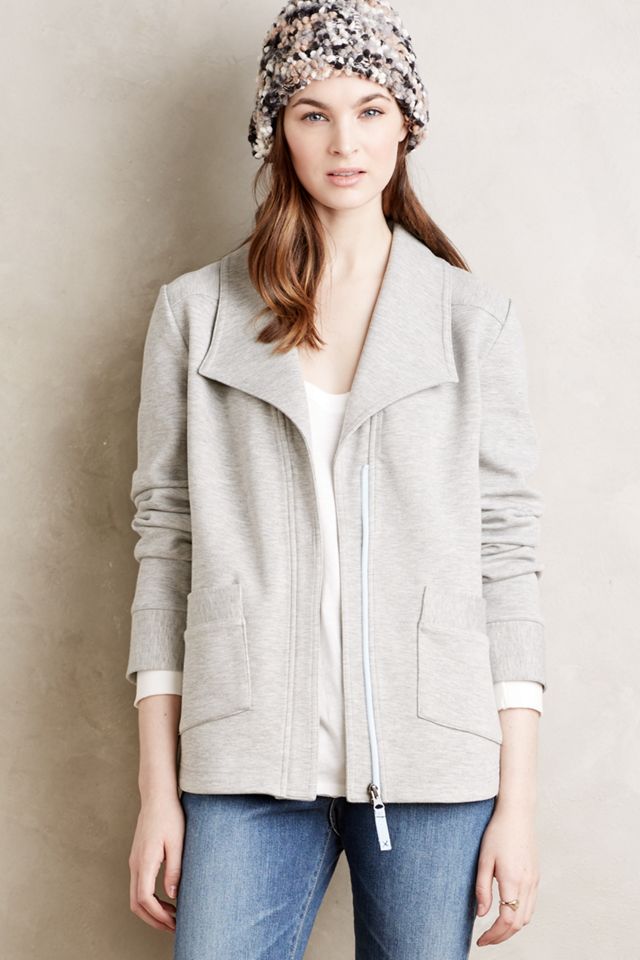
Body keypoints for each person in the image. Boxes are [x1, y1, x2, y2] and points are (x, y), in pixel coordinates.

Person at [126, 2, 546, 957]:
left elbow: (507, 556)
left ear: (406, 124)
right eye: (312, 113)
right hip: (242, 759)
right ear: (277, 130)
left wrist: (517, 805)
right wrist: (159, 791)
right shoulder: (196, 314)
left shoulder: (471, 321)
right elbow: (166, 549)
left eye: (369, 110)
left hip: (434, 766)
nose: (344, 143)